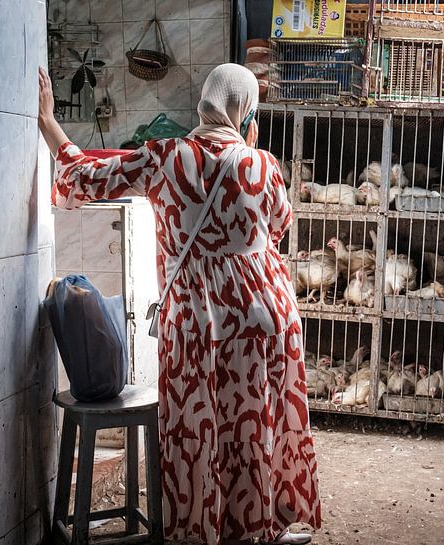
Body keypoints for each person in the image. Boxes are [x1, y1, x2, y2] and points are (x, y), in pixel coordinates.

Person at [38, 64, 321, 545]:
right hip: (264, 317)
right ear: (246, 111)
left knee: (198, 432)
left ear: (204, 104)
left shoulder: (163, 157)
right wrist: (246, 152)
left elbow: (82, 178)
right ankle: (259, 529)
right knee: (256, 426)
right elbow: (276, 227)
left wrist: (48, 122)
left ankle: (200, 532)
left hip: (195, 322)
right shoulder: (263, 165)